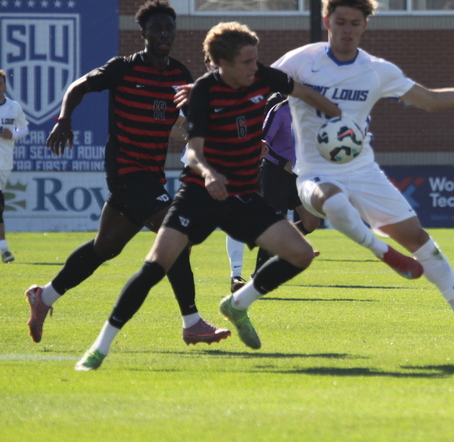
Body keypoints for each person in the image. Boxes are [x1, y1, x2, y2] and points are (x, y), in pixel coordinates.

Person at [75, 21, 341, 370]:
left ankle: (237, 304)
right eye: (247, 61)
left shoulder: (263, 77)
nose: (254, 67)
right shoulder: (202, 92)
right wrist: (210, 172)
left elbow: (303, 92)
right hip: (199, 194)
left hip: (243, 196)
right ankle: (99, 347)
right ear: (223, 63)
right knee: (155, 267)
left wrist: (339, 117)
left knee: (301, 255)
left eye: (255, 60)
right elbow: (195, 151)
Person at [271, 0, 454, 344]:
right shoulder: (301, 60)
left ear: (365, 26)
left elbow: (429, 100)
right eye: (340, 22)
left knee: (418, 238)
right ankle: (381, 252)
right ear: (327, 21)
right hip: (317, 172)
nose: (347, 30)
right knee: (332, 200)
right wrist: (202, 92)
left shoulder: (377, 70)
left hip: (363, 171)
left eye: (355, 23)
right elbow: (251, 82)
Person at [26, 0, 230, 347]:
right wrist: (63, 120)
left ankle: (43, 297)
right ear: (143, 33)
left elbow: (184, 125)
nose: (164, 33)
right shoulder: (123, 69)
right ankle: (192, 322)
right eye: (156, 28)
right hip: (126, 171)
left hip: (150, 176)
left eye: (169, 28)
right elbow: (78, 87)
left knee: (104, 247)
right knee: (175, 235)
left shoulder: (180, 75)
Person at [227, 92, 320, 293]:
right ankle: (258, 279)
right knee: (274, 225)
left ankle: (286, 245)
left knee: (311, 221)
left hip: (299, 174)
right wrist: (281, 162)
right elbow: (262, 142)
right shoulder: (279, 111)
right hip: (274, 174)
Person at [0, 69, 29, 263]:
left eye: (0, 84)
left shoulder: (13, 107)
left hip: (4, 162)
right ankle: (4, 248)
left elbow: (25, 127)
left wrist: (13, 134)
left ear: (4, 86)